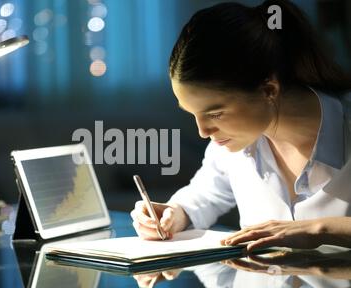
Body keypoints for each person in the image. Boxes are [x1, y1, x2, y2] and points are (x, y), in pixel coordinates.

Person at [130, 0, 351, 252]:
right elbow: (203, 196)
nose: (203, 132)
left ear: (269, 89)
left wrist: (319, 229)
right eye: (193, 115)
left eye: (215, 114)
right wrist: (174, 213)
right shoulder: (232, 144)